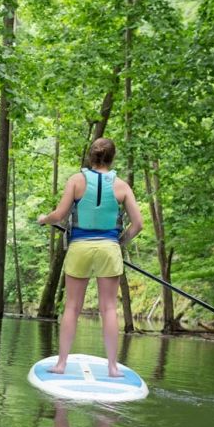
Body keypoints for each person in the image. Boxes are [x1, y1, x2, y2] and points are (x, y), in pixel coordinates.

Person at [37, 138, 142, 377]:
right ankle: (113, 368)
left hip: (80, 248)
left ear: (90, 157)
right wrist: (120, 241)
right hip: (108, 248)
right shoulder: (122, 186)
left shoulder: (76, 181)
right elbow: (138, 225)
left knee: (72, 307)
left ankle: (61, 364)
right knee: (108, 308)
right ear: (112, 158)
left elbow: (60, 215)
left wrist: (44, 219)